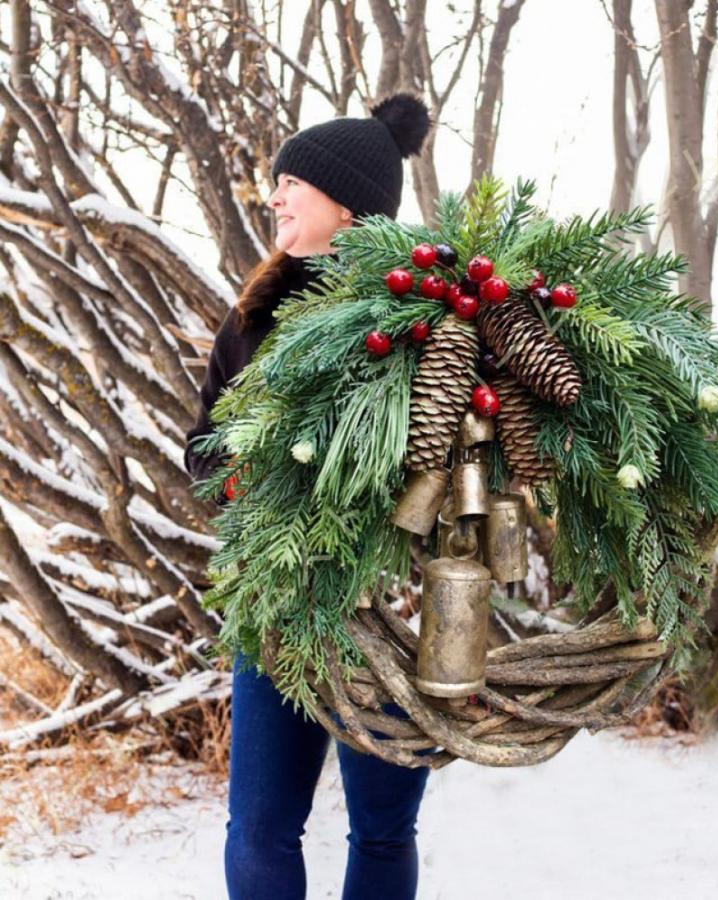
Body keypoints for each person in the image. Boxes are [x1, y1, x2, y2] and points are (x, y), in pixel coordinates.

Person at [182, 93, 434, 900]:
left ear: (347, 200)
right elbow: (201, 450)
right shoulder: (253, 316)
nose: (276, 195)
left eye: (292, 181)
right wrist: (250, 474)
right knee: (259, 826)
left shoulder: (422, 314)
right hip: (279, 608)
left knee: (385, 831)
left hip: (397, 613)